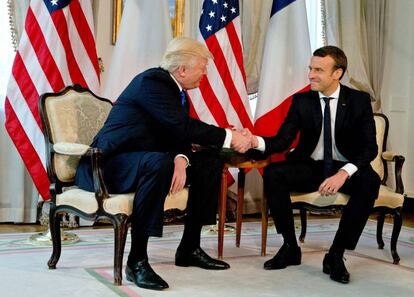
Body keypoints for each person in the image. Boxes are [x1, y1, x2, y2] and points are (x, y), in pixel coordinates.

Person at [75, 37, 251, 290]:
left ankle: (190, 247)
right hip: (107, 165)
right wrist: (231, 136)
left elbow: (176, 132)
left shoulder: (175, 91)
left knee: (209, 160)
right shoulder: (152, 83)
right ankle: (137, 261)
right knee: (158, 162)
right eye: (202, 68)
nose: (205, 74)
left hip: (143, 160)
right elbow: (183, 126)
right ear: (182, 70)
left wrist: (182, 159)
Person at [249, 46, 380, 284]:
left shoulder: (358, 101)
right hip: (311, 165)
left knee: (370, 181)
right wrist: (253, 141)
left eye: (318, 70)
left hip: (345, 166)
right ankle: (290, 246)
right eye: (310, 69)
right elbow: (282, 141)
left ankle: (336, 254)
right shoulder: (302, 101)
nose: (311, 75)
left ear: (337, 73)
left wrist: (343, 173)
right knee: (273, 173)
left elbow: (370, 149)